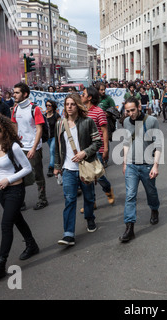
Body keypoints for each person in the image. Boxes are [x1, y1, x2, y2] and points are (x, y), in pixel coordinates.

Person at [0, 115, 39, 279]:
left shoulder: (13, 147)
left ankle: (0, 263)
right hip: (0, 191)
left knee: (6, 224)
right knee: (17, 218)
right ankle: (31, 244)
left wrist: (8, 179)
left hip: (15, 190)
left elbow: (27, 168)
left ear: (5, 129)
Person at [54, 94, 102, 246]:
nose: (69, 107)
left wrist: (84, 152)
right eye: (67, 104)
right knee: (70, 200)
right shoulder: (60, 124)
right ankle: (68, 234)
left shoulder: (87, 122)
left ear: (78, 106)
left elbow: (97, 142)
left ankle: (90, 218)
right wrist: (57, 166)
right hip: (68, 169)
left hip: (85, 167)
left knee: (88, 197)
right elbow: (57, 147)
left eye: (72, 104)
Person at [119, 96, 162, 243]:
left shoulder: (151, 121)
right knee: (130, 195)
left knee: (151, 192)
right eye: (127, 111)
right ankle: (129, 228)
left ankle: (154, 209)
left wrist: (155, 165)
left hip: (147, 164)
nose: (130, 113)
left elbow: (158, 145)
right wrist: (124, 162)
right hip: (131, 164)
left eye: (132, 110)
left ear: (139, 106)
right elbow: (126, 142)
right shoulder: (125, 121)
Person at [11, 82, 48, 210]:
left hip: (33, 148)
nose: (14, 95)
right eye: (14, 92)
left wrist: (33, 148)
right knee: (20, 176)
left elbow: (39, 130)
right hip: (20, 148)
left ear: (25, 94)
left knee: (37, 175)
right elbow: (15, 127)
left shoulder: (35, 109)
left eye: (17, 93)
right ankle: (21, 201)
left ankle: (42, 199)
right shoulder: (15, 109)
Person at [81, 86, 115, 208]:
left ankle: (107, 189)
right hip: (84, 150)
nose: (81, 96)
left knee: (97, 175)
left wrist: (105, 149)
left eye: (83, 94)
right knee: (86, 177)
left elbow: (105, 131)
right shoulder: (81, 112)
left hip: (97, 149)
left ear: (89, 98)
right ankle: (91, 202)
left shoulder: (99, 111)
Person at [45, 100, 61, 177]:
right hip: (48, 137)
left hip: (55, 136)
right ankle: (57, 164)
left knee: (52, 151)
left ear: (53, 106)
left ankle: (50, 167)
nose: (48, 107)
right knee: (53, 152)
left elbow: (60, 126)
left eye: (49, 105)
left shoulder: (56, 115)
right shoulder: (44, 116)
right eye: (47, 105)